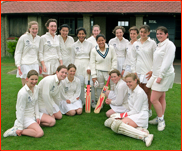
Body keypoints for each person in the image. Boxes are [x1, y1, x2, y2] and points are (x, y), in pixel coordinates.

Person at [104, 73, 153, 147]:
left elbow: (136, 111)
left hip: (140, 115)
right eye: (127, 82)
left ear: (135, 80)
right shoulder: (130, 89)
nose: (128, 84)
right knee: (109, 121)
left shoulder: (139, 93)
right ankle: (138, 129)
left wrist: (121, 115)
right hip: (132, 113)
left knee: (117, 125)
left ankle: (145, 136)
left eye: (130, 82)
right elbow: (130, 107)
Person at [3, 70, 55, 138]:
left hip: (33, 114)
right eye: (32, 79)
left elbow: (36, 103)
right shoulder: (23, 93)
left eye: (36, 79)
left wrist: (37, 116)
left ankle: (32, 125)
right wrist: (20, 127)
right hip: (26, 117)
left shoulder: (36, 88)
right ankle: (16, 130)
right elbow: (20, 110)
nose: (34, 81)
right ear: (27, 79)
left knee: (52, 121)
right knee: (39, 133)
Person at [146, 26, 176, 131]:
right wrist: (153, 71)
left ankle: (161, 120)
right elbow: (157, 61)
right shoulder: (159, 45)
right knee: (161, 97)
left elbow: (167, 62)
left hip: (164, 75)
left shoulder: (169, 45)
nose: (159, 35)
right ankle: (160, 117)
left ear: (166, 34)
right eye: (157, 33)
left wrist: (160, 76)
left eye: (161, 34)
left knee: (153, 99)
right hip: (156, 74)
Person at [131, 25, 157, 117]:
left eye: (145, 32)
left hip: (147, 72)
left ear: (148, 33)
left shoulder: (152, 43)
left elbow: (156, 58)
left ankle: (149, 110)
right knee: (139, 91)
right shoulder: (135, 44)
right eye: (141, 32)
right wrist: (134, 71)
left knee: (147, 91)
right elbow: (133, 58)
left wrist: (152, 70)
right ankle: (140, 109)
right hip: (138, 71)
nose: (142, 34)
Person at [90, 34, 117, 108]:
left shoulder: (110, 48)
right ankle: (100, 103)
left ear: (105, 40)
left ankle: (113, 103)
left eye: (102, 40)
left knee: (113, 87)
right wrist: (94, 75)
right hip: (99, 71)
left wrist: (113, 71)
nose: (101, 42)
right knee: (99, 87)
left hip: (110, 72)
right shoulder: (94, 50)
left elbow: (114, 59)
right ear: (96, 41)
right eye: (99, 41)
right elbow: (92, 63)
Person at [14, 21, 42, 86]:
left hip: (35, 64)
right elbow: (18, 52)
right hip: (25, 64)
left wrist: (39, 64)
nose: (35, 30)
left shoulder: (39, 38)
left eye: (36, 29)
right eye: (33, 29)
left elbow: (38, 53)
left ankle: (33, 96)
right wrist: (18, 64)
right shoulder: (23, 38)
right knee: (26, 86)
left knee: (33, 84)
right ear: (29, 29)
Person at [71, 27, 94, 105]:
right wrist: (73, 69)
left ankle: (91, 101)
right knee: (79, 84)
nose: (81, 35)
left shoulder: (90, 44)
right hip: (78, 65)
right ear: (77, 35)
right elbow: (72, 57)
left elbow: (92, 57)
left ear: (85, 35)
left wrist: (89, 67)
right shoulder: (74, 45)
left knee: (89, 84)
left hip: (87, 64)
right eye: (79, 34)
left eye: (83, 34)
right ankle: (81, 102)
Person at [87, 24, 101, 108]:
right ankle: (92, 101)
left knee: (98, 82)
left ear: (99, 31)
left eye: (97, 31)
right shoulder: (89, 40)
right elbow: (89, 55)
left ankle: (98, 99)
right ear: (92, 31)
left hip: (99, 64)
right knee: (92, 82)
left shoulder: (101, 39)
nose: (96, 32)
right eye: (94, 30)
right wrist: (89, 67)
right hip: (91, 63)